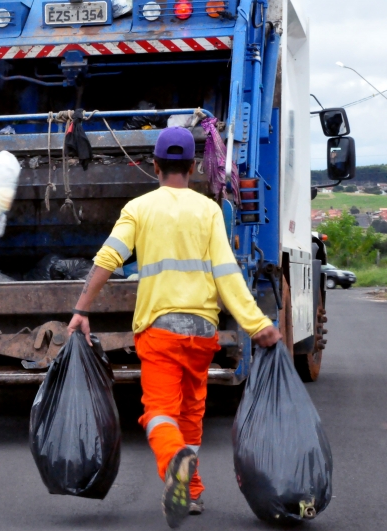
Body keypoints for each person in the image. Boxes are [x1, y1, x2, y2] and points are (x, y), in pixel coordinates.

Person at [67, 128, 282, 528]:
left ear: (155, 166)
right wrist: (257, 324)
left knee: (159, 413)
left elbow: (108, 259)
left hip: (160, 329)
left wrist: (82, 309)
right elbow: (226, 273)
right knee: (191, 413)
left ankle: (174, 463)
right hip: (202, 331)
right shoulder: (209, 210)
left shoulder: (139, 208)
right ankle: (193, 492)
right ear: (194, 166)